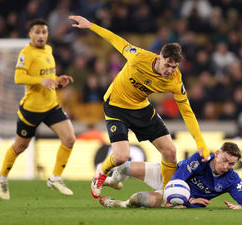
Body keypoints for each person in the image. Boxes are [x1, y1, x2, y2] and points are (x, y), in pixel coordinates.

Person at [68, 15, 210, 199]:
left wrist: (200, 142)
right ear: (159, 58)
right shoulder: (139, 57)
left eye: (174, 67)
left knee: (170, 152)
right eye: (167, 65)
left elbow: (187, 112)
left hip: (141, 108)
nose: (170, 71)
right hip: (116, 106)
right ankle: (101, 172)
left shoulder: (175, 81)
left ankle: (167, 194)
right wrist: (91, 26)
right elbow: (116, 40)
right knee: (120, 157)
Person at [0, 19, 75, 200]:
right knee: (20, 146)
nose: (40, 36)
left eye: (44, 32)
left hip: (51, 105)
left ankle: (55, 178)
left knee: (69, 139)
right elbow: (18, 77)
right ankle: (2, 177)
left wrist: (57, 79)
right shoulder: (26, 53)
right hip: (31, 109)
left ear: (47, 34)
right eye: (37, 32)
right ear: (30, 34)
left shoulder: (48, 50)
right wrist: (41, 81)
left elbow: (46, 76)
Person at [99, 142, 242, 209]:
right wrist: (190, 199)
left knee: (138, 199)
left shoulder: (231, 179)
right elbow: (178, 178)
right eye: (225, 161)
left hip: (176, 196)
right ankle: (112, 181)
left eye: (231, 164)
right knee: (125, 167)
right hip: (168, 174)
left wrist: (240, 206)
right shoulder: (201, 158)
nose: (227, 167)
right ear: (218, 153)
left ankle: (118, 204)